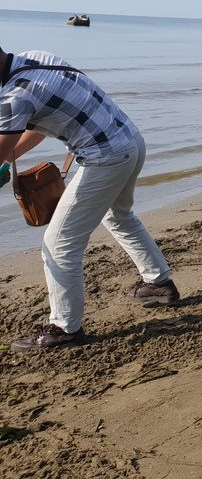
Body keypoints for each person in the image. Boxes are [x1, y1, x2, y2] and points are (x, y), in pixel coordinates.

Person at [0, 49, 180, 351]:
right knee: (119, 216)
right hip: (130, 139)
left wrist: (4, 158)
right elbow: (33, 130)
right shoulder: (37, 57)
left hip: (106, 157)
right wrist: (8, 158)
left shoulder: (13, 96)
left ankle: (64, 328)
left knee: (58, 244)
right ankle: (159, 284)